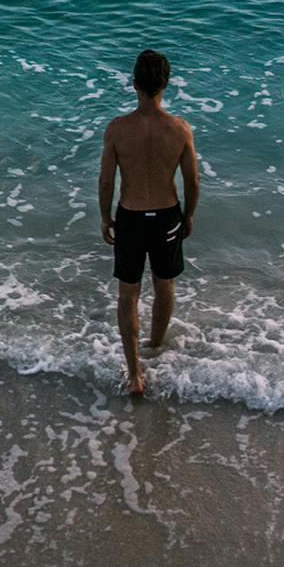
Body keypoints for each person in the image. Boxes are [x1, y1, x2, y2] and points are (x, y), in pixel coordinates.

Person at [98, 48, 199, 396]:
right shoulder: (180, 129)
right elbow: (193, 182)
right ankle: (156, 344)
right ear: (165, 85)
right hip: (167, 215)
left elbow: (106, 181)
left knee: (128, 294)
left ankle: (135, 375)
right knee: (164, 285)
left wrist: (104, 217)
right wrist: (188, 215)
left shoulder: (117, 129)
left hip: (130, 217)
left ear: (134, 83)